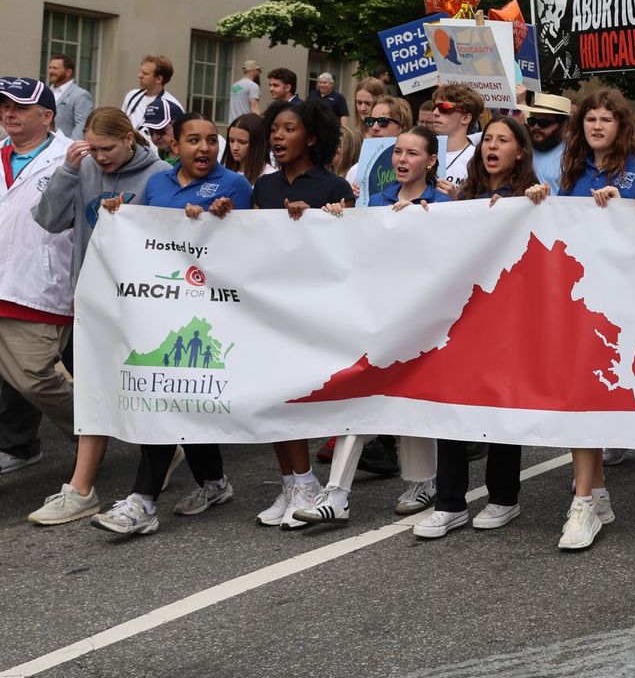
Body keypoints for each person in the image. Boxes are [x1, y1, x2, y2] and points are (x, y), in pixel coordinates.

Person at [87, 114, 254, 535]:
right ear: (174, 146)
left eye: (211, 141)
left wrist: (225, 219)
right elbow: (142, 232)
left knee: (169, 395)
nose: (204, 148)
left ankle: (143, 502)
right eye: (193, 140)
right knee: (180, 397)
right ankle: (214, 482)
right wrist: (117, 213)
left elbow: (254, 245)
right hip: (161, 307)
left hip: (207, 311)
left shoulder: (234, 185)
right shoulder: (158, 183)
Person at [526, 89, 635, 550]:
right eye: (590, 120)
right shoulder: (572, 172)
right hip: (582, 303)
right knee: (578, 398)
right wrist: (544, 202)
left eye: (607, 119)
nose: (598, 126)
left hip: (623, 307)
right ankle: (591, 496)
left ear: (622, 126)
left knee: (594, 397)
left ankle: (588, 499)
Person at [292, 124, 445, 527]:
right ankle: (337, 493)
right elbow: (358, 252)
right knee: (361, 392)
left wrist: (431, 218)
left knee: (411, 395)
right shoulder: (375, 199)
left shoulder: (445, 203)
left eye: (412, 153)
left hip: (424, 315)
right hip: (380, 314)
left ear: (431, 161)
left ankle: (422, 482)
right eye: (397, 152)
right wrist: (338, 220)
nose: (401, 160)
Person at [23, 106, 167, 524]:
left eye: (108, 148)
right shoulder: (82, 167)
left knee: (144, 390)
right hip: (91, 301)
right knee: (93, 392)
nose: (101, 157)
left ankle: (180, 474)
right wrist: (69, 172)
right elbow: (48, 221)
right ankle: (81, 489)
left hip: (143, 303)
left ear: (129, 138)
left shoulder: (157, 173)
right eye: (95, 148)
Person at [411, 116, 538, 539]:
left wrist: (540, 201)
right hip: (465, 318)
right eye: (489, 140)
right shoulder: (465, 199)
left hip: (510, 320)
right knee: (454, 405)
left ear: (520, 151)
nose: (492, 146)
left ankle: (504, 497)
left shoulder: (530, 198)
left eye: (503, 140)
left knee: (499, 405)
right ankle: (450, 503)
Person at [249, 100, 352, 528]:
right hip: (266, 305)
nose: (277, 136)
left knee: (296, 397)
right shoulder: (265, 187)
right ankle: (292, 483)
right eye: (273, 129)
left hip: (314, 308)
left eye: (288, 128)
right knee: (272, 397)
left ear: (310, 137)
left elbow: (350, 247)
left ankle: (308, 482)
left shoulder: (333, 188)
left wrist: (324, 220)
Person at [0, 78, 76, 502]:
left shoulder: (72, 155)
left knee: (36, 377)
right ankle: (18, 445)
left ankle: (110, 431)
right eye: (4, 106)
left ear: (47, 116)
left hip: (37, 284)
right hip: (2, 281)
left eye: (20, 107)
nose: (9, 113)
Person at [430, 82, 483, 193]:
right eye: (434, 107)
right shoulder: (421, 153)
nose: (435, 113)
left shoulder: (478, 160)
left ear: (466, 118)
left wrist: (454, 201)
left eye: (444, 108)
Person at [120, 54, 183, 126]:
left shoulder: (172, 105)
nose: (139, 75)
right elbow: (121, 123)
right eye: (141, 71)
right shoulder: (132, 95)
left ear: (159, 79)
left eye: (145, 73)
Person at [526, 92, 572, 185]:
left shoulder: (573, 156)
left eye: (543, 123)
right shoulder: (521, 150)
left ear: (564, 125)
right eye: (532, 121)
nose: (536, 127)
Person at [46, 53, 94, 139]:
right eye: (50, 68)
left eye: (55, 68)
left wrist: (70, 147)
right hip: (44, 146)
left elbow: (82, 125)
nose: (51, 71)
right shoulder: (46, 92)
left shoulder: (81, 95)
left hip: (66, 148)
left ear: (68, 72)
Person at [223, 113, 270, 184]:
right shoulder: (223, 171)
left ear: (256, 143)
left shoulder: (269, 176)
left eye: (242, 142)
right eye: (231, 141)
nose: (234, 147)